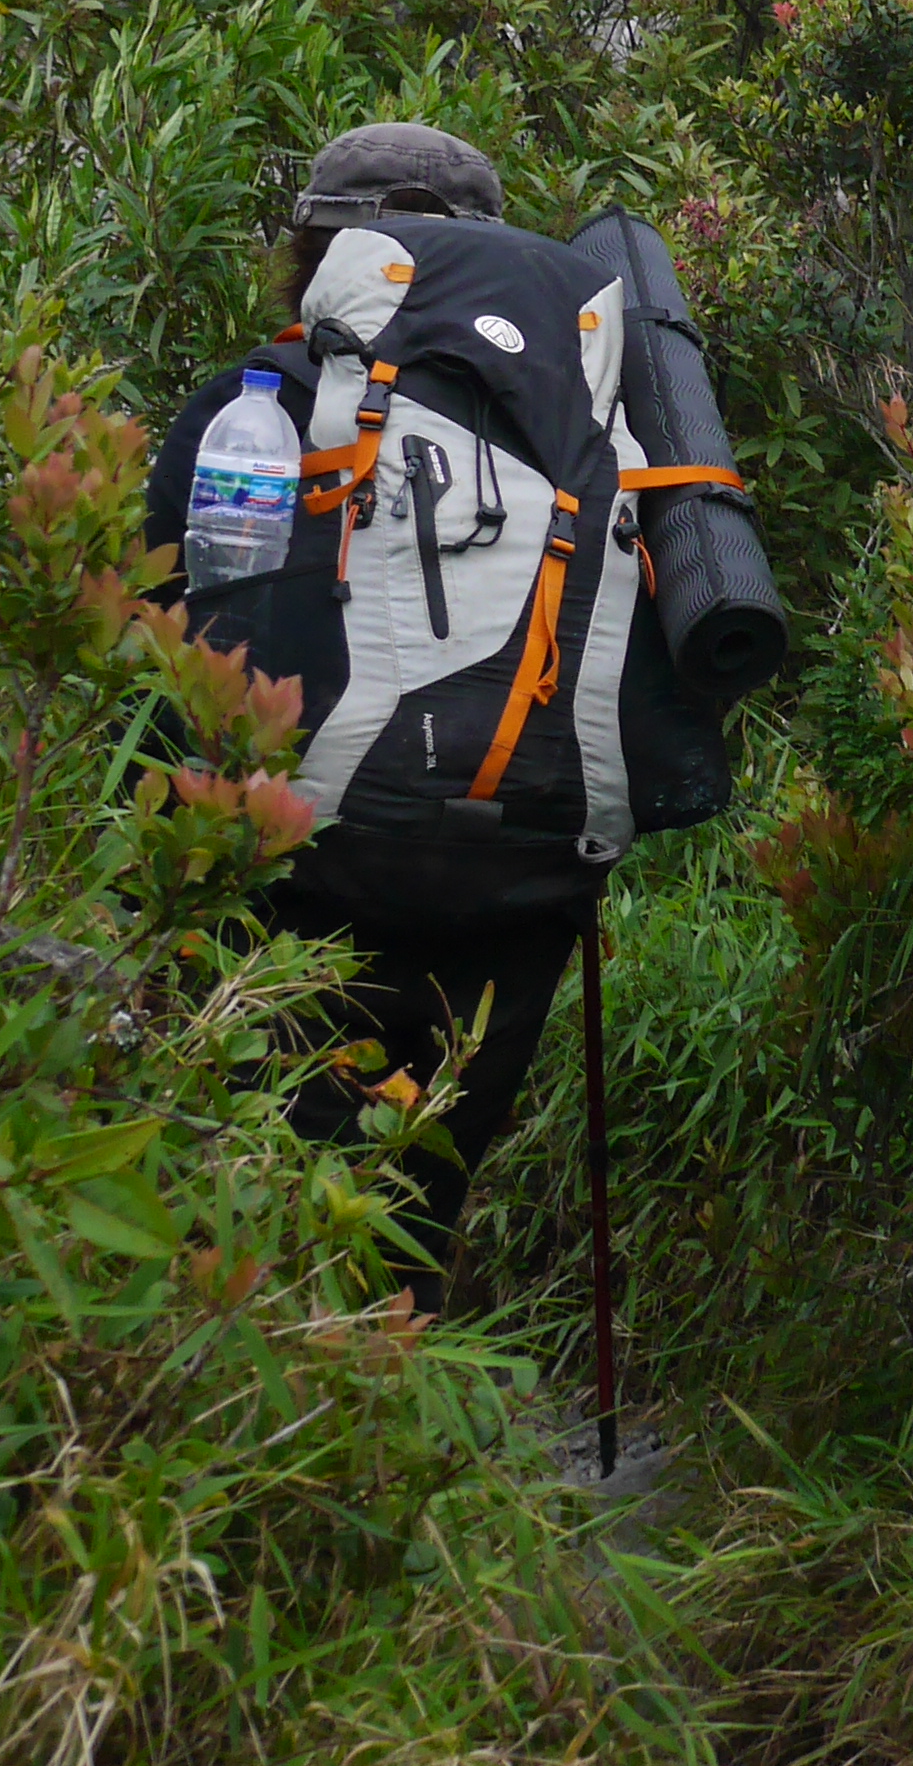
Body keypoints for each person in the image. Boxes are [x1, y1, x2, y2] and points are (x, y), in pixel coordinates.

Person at [143, 121, 603, 1314]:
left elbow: (151, 648)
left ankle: (263, 1439)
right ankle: (407, 1426)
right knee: (413, 1213)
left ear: (310, 255)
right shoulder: (583, 432)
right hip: (521, 881)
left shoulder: (244, 407)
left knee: (258, 1191)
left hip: (295, 875)